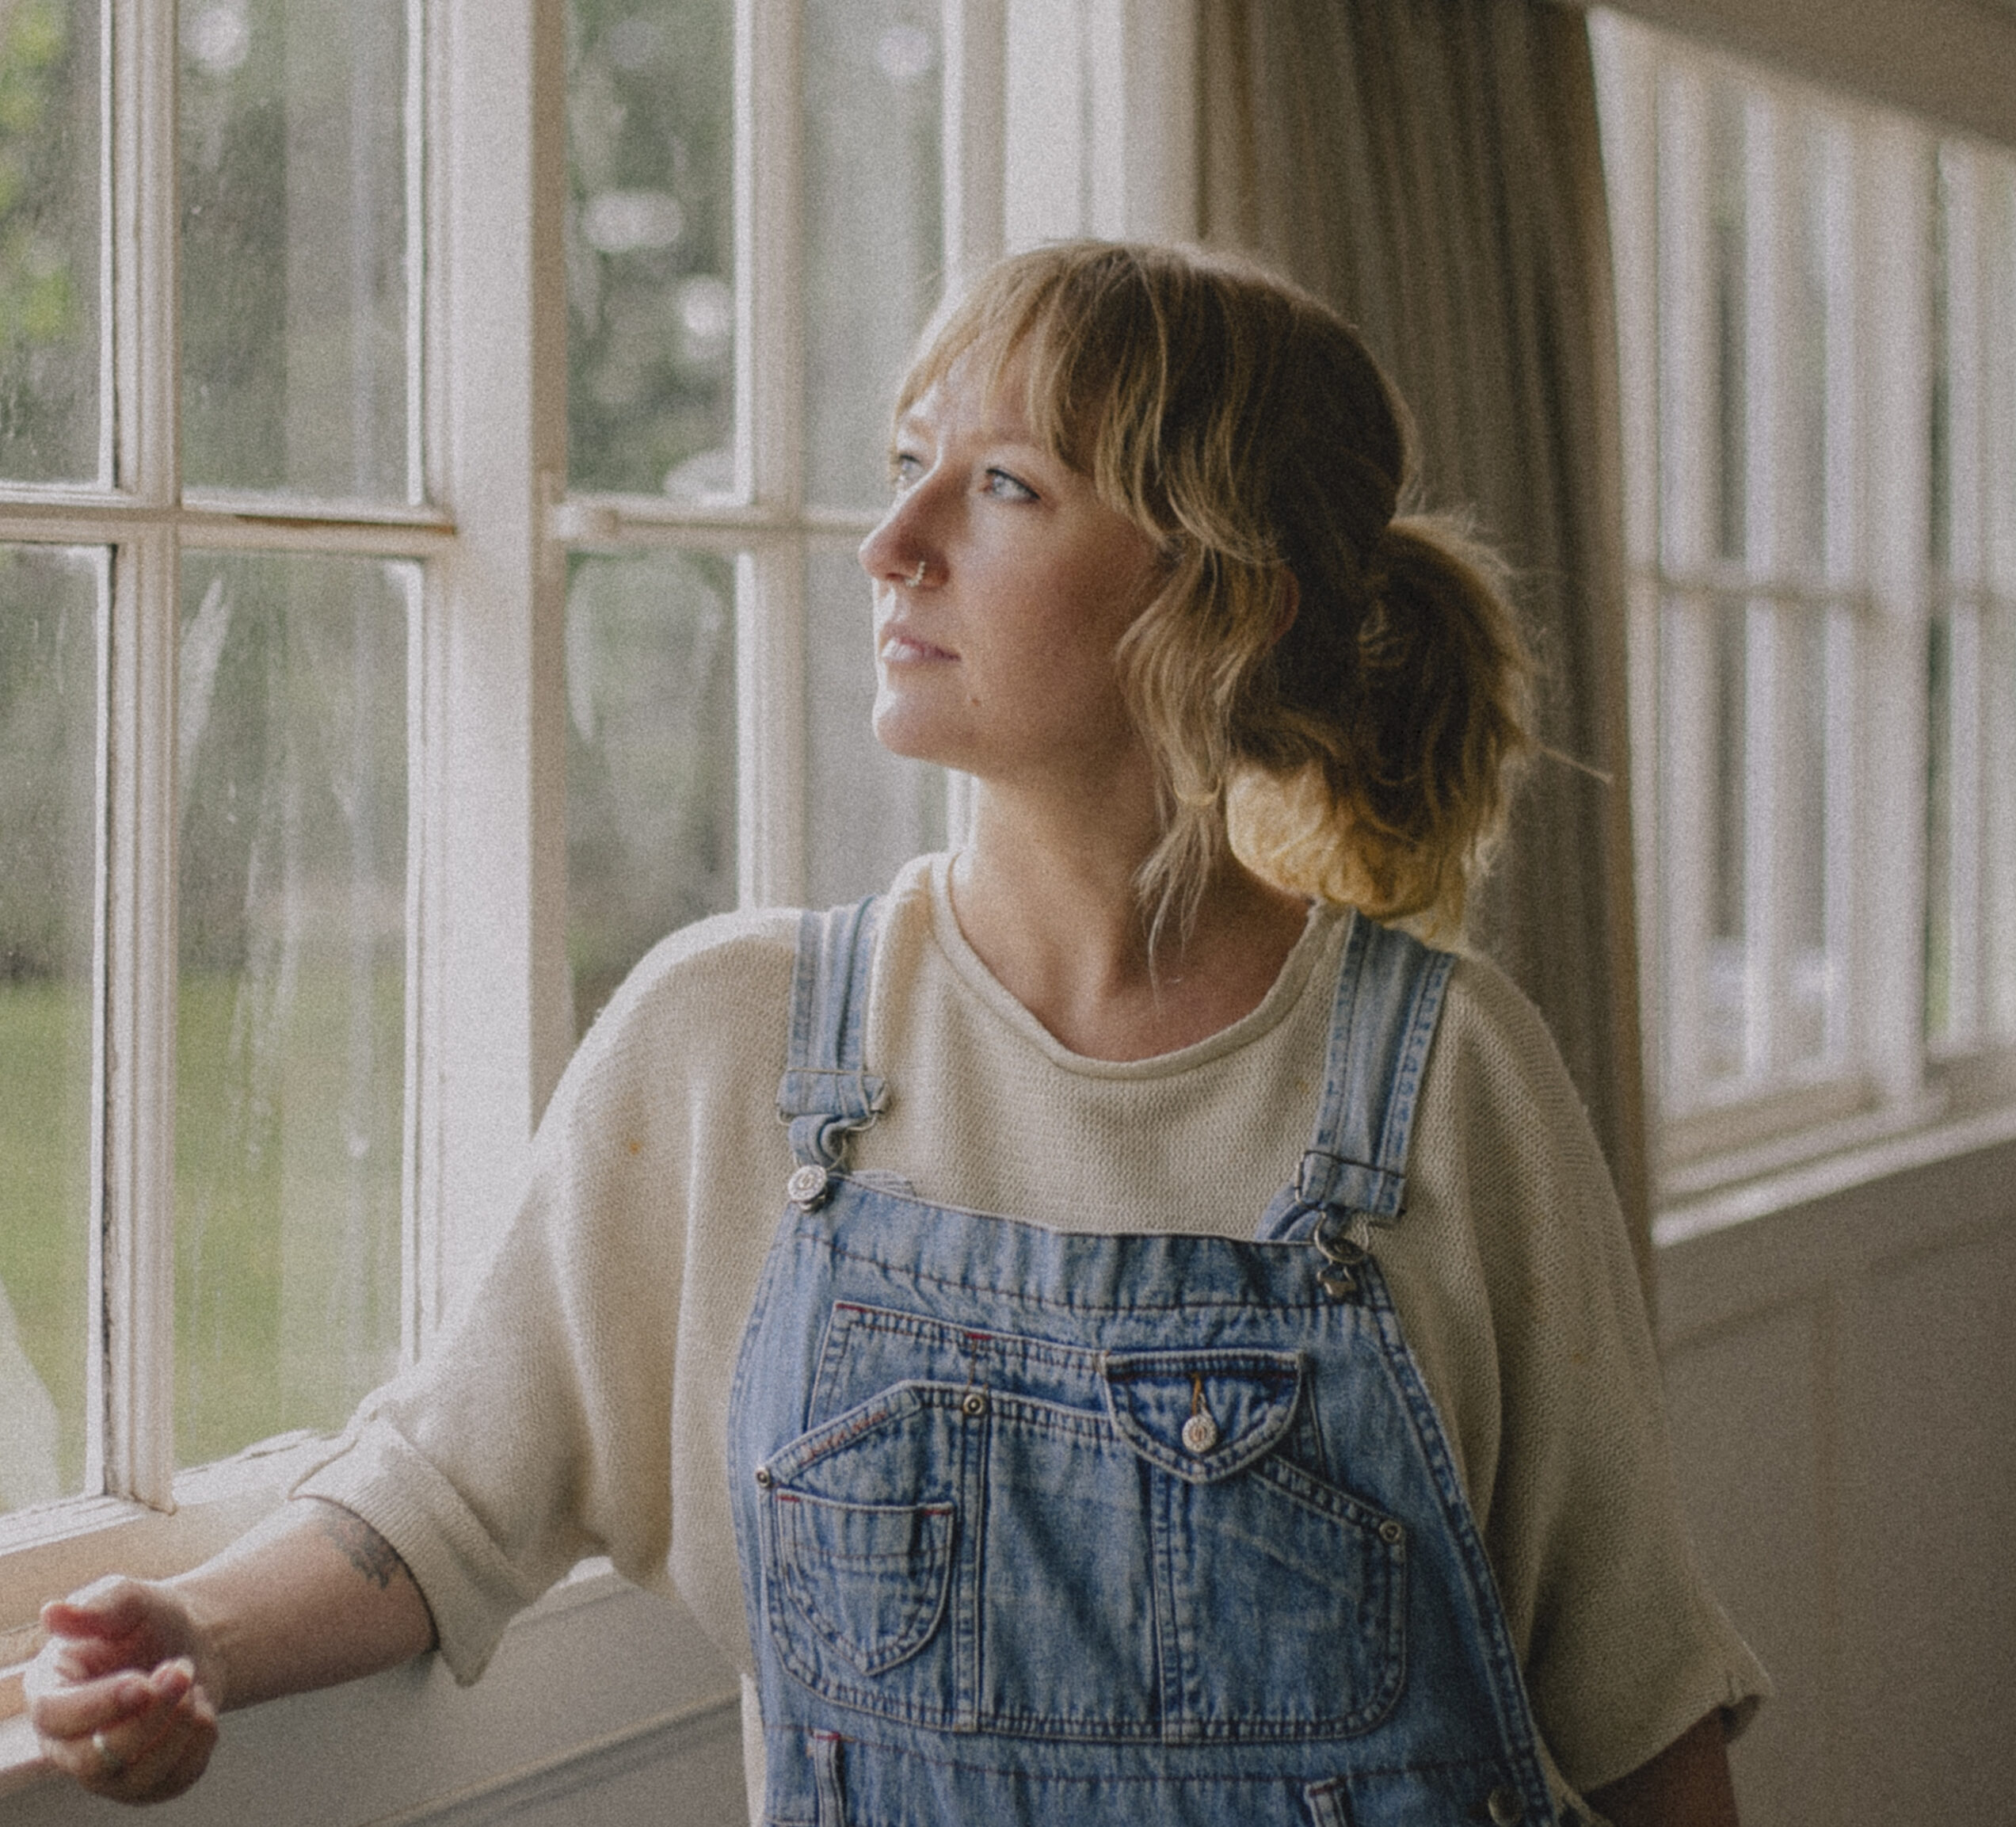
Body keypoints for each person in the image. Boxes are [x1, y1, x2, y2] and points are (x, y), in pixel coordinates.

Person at [27, 242, 1765, 1824]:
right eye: (903, 464)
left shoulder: (1449, 1085)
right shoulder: (734, 1043)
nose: (892, 539)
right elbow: (442, 1495)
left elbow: (1636, 1714)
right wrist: (191, 1630)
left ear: (1221, 597)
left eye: (1002, 485)